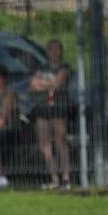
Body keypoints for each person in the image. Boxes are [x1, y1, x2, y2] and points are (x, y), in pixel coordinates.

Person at [29, 40, 73, 190]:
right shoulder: (42, 67)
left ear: (61, 52)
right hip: (42, 108)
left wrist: (43, 83)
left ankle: (65, 178)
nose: (54, 52)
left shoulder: (65, 67)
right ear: (47, 52)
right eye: (50, 49)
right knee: (44, 144)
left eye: (56, 49)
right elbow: (32, 85)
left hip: (58, 108)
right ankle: (53, 177)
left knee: (60, 141)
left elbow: (58, 83)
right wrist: (48, 84)